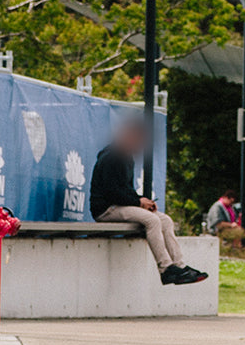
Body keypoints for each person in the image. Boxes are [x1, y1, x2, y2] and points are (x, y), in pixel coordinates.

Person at [89, 119, 208, 285]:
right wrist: (138, 203)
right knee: (151, 220)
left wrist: (142, 201)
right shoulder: (111, 157)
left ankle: (179, 266)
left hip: (120, 205)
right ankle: (166, 269)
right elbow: (112, 192)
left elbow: (125, 190)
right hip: (106, 209)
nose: (140, 145)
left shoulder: (126, 157)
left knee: (165, 220)